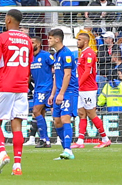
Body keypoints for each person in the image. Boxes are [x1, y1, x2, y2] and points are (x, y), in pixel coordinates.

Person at [0, 8, 33, 176]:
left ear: (8, 20)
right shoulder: (27, 40)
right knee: (17, 125)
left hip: (4, 85)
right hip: (21, 87)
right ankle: (17, 166)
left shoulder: (1, 38)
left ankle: (2, 153)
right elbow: (28, 67)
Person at [73, 28, 109, 148]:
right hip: (82, 89)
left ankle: (105, 138)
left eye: (79, 40)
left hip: (88, 88)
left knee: (91, 113)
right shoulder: (82, 53)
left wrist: (79, 84)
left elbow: (88, 71)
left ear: (86, 41)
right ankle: (80, 141)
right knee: (81, 113)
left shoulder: (89, 53)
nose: (77, 42)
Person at [49, 27, 79, 160]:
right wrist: (53, 93)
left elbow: (67, 75)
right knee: (57, 121)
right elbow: (57, 76)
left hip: (69, 92)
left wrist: (61, 94)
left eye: (50, 38)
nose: (48, 40)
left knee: (65, 118)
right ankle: (65, 150)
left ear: (57, 39)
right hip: (59, 92)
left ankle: (68, 149)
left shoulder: (67, 54)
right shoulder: (56, 55)